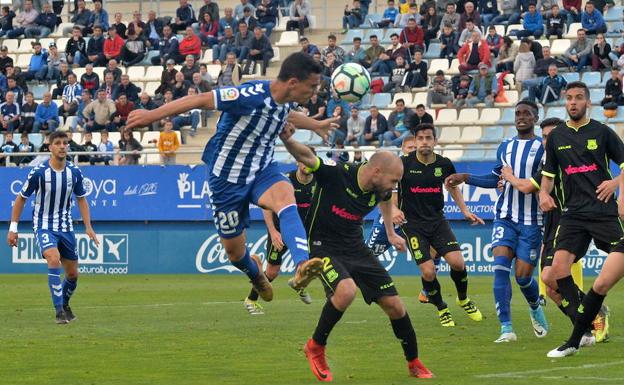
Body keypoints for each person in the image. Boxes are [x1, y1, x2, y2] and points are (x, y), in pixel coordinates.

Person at [125, 53, 338, 300]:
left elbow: (288, 116)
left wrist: (314, 124)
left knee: (285, 197)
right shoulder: (249, 95)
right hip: (226, 180)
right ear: (292, 82)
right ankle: (255, 274)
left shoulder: (288, 101)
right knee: (235, 253)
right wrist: (151, 115)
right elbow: (202, 99)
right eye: (311, 86)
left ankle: (302, 266)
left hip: (261, 170)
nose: (314, 92)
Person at [279, 134, 434, 380]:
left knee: (395, 305)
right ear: (376, 172)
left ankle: (413, 362)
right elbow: (307, 157)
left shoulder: (380, 188)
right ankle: (315, 347)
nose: (393, 187)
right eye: (393, 180)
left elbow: (385, 202)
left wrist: (391, 233)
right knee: (347, 290)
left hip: (355, 248)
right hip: (323, 246)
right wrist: (286, 138)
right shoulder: (337, 173)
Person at [500, 117, 611, 346]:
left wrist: (509, 176)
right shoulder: (548, 162)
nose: (547, 140)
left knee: (550, 276)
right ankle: (587, 329)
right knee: (551, 288)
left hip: (570, 224)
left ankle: (596, 313)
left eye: (551, 136)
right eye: (544, 137)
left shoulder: (563, 160)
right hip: (552, 226)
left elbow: (527, 186)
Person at [446, 100, 548, 343]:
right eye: (517, 114)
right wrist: (465, 177)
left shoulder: (543, 148)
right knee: (500, 268)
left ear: (535, 118)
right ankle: (506, 328)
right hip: (505, 217)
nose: (521, 117)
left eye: (526, 113)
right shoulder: (505, 147)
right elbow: (495, 178)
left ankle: (534, 306)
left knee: (523, 277)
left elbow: (544, 183)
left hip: (533, 221)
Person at [537, 82, 624, 357]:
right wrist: (543, 195)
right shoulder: (557, 137)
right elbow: (548, 176)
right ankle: (584, 328)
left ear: (588, 102)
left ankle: (585, 325)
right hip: (573, 214)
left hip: (603, 211)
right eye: (569, 98)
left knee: (608, 273)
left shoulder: (601, 132)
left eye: (578, 98)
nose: (573, 102)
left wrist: (617, 186)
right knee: (554, 273)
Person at [393, 125, 485, 326]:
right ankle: (442, 307)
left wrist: (465, 210)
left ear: (435, 141)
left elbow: (452, 188)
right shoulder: (402, 163)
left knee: (458, 263)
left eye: (428, 138)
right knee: (428, 272)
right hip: (412, 224)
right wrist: (393, 210)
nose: (424, 141)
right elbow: (391, 190)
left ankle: (463, 299)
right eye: (421, 138)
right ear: (415, 141)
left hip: (437, 221)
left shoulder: (444, 164)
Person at [7, 131, 98, 324]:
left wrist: (88, 227)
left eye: (65, 143)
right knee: (53, 258)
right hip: (43, 226)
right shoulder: (39, 173)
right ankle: (59, 312)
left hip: (65, 227)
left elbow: (81, 199)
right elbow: (20, 199)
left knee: (72, 274)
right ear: (50, 148)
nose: (63, 146)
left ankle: (64, 304)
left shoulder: (74, 172)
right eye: (58, 143)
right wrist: (13, 228)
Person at [244, 150, 318, 314]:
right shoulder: (286, 180)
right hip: (279, 230)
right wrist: (273, 231)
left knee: (309, 264)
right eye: (303, 160)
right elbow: (267, 207)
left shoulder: (318, 183)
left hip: (304, 232)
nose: (306, 164)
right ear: (297, 162)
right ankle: (250, 300)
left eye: (309, 160)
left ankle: (299, 286)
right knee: (272, 271)